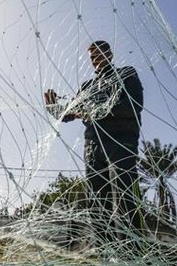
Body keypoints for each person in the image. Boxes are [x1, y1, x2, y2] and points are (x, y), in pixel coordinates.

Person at [44, 40, 144, 248]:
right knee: (97, 202)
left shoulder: (126, 73)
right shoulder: (87, 86)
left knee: (124, 195)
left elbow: (135, 104)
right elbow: (69, 114)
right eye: (92, 56)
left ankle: (132, 254)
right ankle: (105, 254)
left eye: (100, 53)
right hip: (93, 145)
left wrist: (100, 111)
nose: (96, 58)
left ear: (110, 54)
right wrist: (54, 108)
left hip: (121, 139)